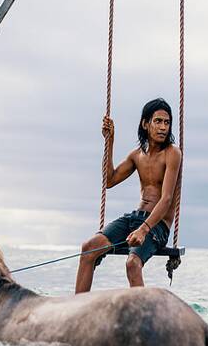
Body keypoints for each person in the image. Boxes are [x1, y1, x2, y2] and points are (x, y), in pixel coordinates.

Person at [75, 98, 182, 294]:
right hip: (135, 218)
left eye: (167, 123)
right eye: (158, 121)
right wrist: (110, 140)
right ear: (145, 124)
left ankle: (142, 321)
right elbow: (110, 180)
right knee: (88, 248)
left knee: (132, 263)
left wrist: (144, 230)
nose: (163, 127)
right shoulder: (137, 156)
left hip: (156, 226)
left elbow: (166, 199)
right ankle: (77, 309)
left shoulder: (172, 153)